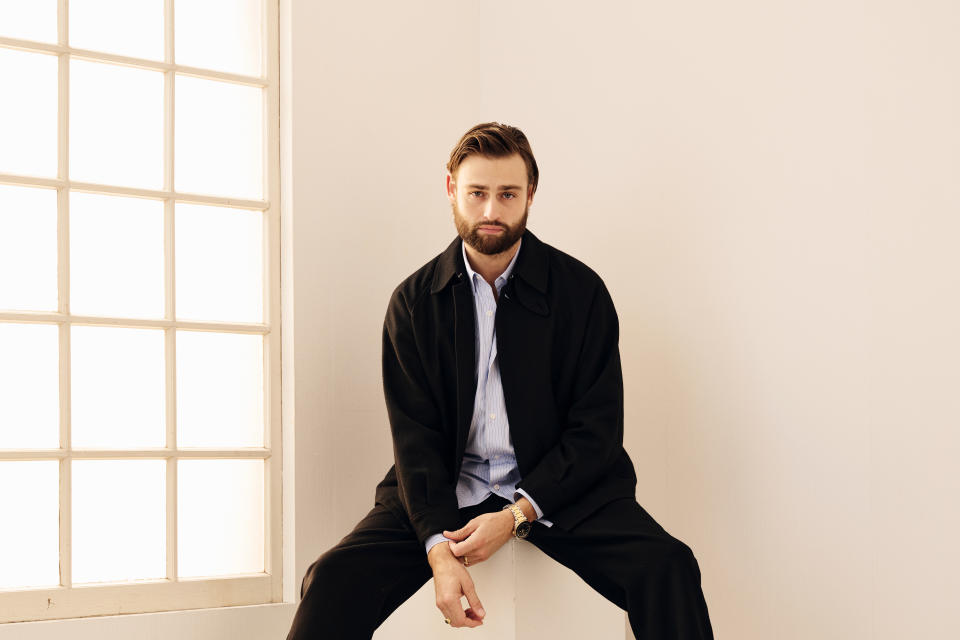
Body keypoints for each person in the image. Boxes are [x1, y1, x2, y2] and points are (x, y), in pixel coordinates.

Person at [285, 122, 715, 639]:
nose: (491, 210)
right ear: (451, 190)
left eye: (507, 194)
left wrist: (516, 515)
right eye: (477, 193)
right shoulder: (414, 303)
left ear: (530, 194)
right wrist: (439, 553)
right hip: (440, 488)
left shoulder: (581, 293)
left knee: (669, 567)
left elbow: (596, 432)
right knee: (331, 579)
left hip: (559, 491)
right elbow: (414, 442)